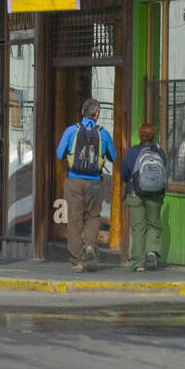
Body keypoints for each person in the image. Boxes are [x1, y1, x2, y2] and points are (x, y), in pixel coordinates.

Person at [54, 98, 116, 273]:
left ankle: (78, 260)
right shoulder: (103, 134)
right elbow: (113, 156)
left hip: (74, 180)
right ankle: (90, 246)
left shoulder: (71, 131)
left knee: (74, 220)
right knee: (93, 216)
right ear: (97, 114)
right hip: (95, 180)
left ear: (82, 112)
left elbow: (59, 154)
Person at [121, 123, 168, 272]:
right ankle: (151, 251)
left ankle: (138, 262)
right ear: (153, 136)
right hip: (155, 194)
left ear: (140, 136)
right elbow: (164, 170)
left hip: (135, 193)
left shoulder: (132, 152)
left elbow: (124, 174)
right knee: (153, 224)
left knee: (138, 228)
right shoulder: (159, 152)